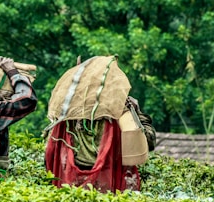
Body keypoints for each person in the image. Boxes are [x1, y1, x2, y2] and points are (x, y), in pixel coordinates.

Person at [44, 55, 156, 192]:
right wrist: (137, 114)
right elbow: (148, 142)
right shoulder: (119, 108)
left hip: (70, 181)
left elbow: (50, 150)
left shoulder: (66, 111)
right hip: (108, 183)